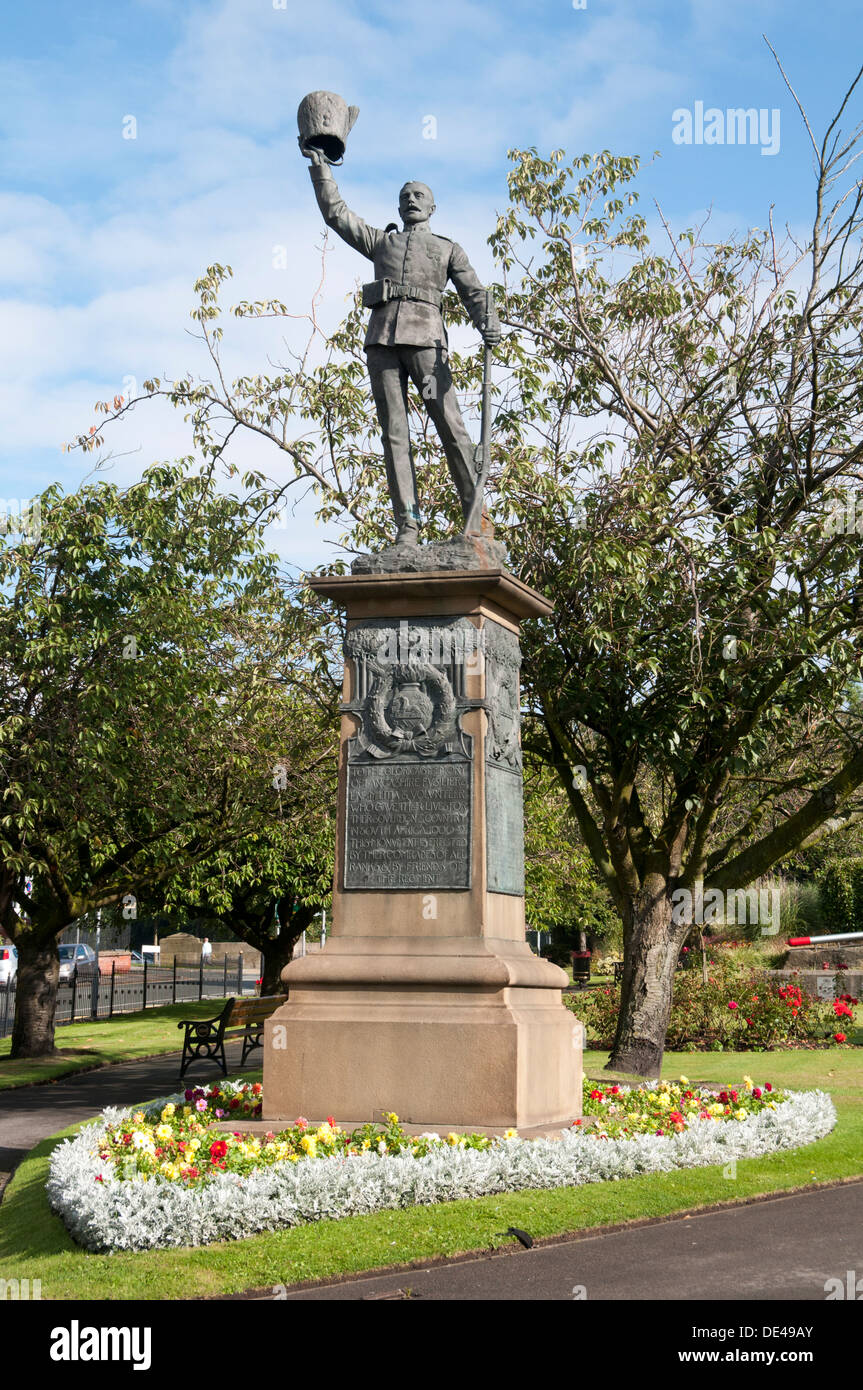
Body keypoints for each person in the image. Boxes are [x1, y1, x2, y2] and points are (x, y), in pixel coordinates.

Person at [302, 148, 501, 544]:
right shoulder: (382, 242)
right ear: (398, 204)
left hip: (426, 342)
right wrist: (320, 167)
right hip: (382, 344)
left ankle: (475, 515)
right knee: (394, 433)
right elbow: (337, 214)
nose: (411, 200)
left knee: (451, 427)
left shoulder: (447, 248)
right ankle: (407, 524)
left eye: (419, 196)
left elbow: (475, 292)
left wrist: (487, 322)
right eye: (405, 195)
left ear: (432, 207)